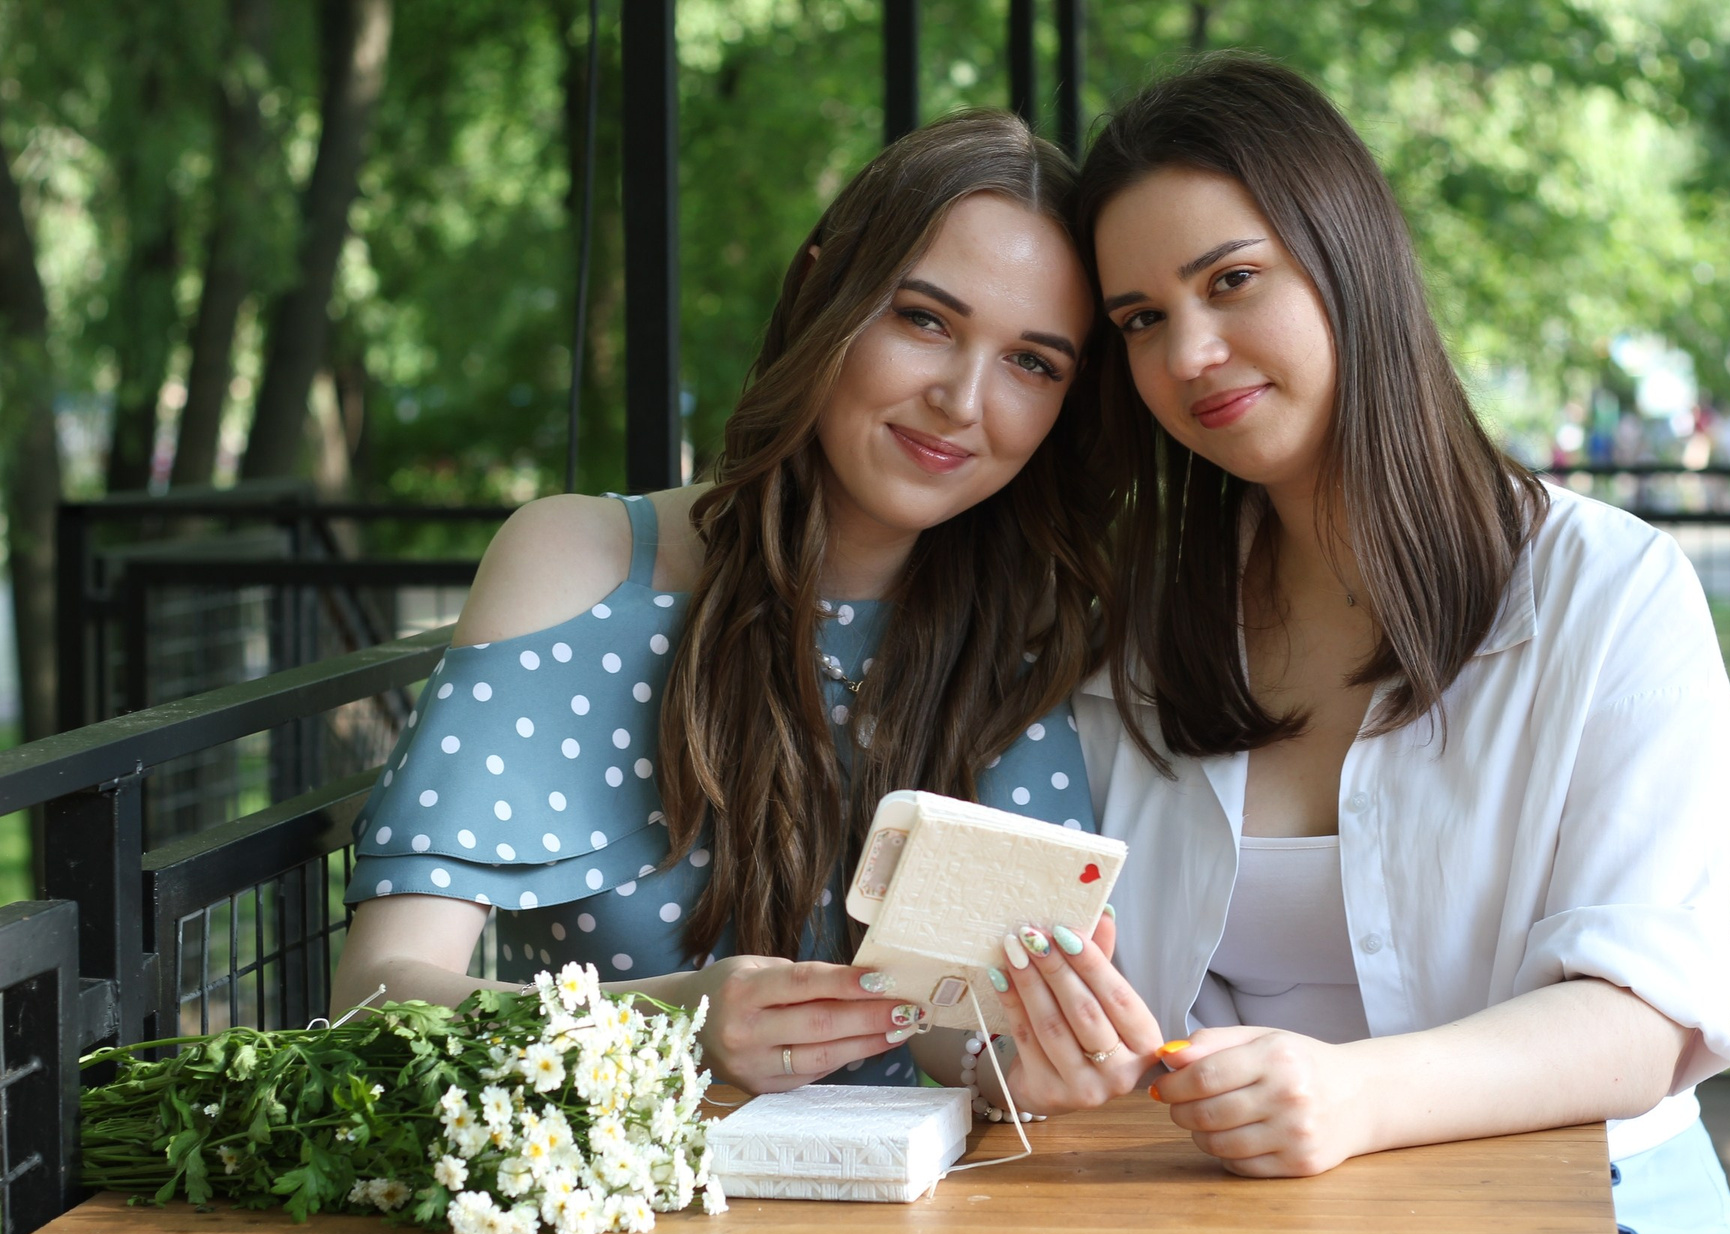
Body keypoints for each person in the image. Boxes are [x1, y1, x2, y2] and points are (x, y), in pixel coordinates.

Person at [1071, 54, 1730, 1234]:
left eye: (1232, 281)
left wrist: (1353, 1096)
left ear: (1348, 260)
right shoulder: (1126, 625)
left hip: (1597, 1215)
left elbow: (1643, 1019)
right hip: (1232, 1231)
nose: (1189, 354)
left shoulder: (1608, 591)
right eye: (1142, 321)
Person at [331, 110, 1158, 1113]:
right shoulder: (578, 565)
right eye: (924, 318)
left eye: (1033, 362)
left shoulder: (1033, 623)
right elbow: (373, 1003)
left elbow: (959, 1034)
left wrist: (1032, 1060)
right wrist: (676, 1018)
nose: (961, 398)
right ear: (821, 293)